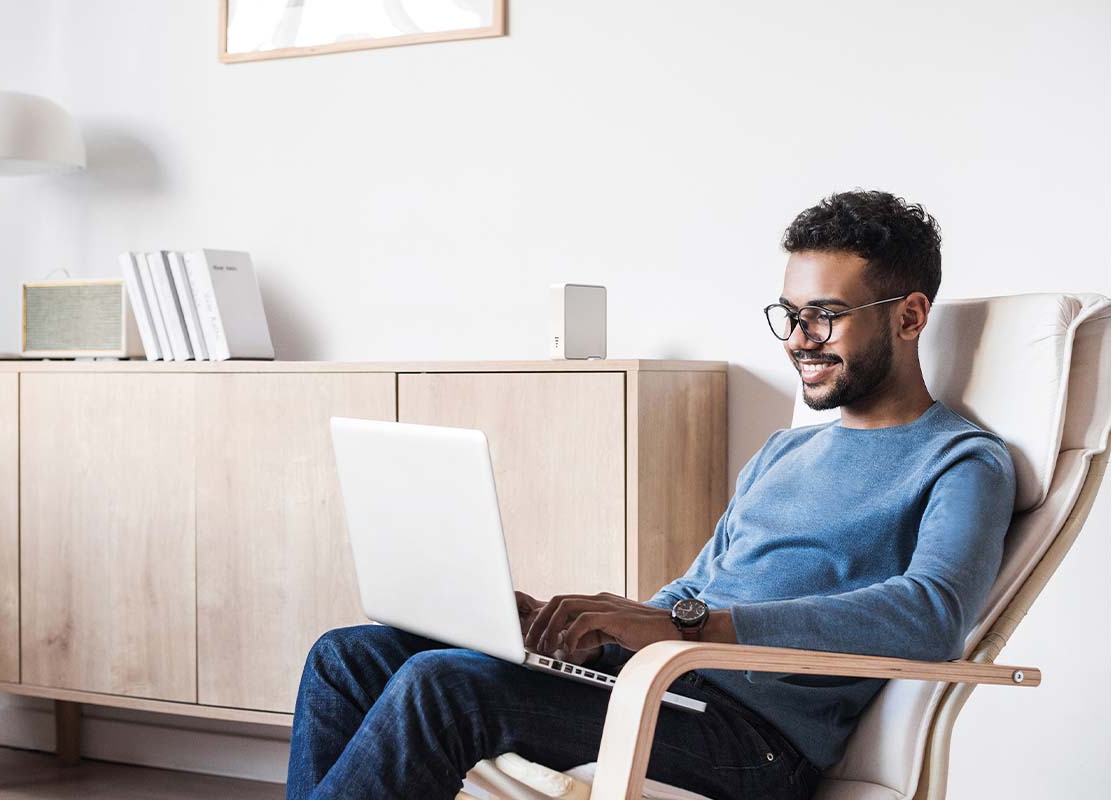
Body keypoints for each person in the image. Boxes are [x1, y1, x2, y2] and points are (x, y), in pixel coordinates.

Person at [284, 190, 1017, 800]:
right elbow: (700, 586)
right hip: (664, 683)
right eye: (789, 314)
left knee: (443, 687)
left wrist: (693, 630)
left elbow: (930, 617)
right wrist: (591, 627)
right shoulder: (786, 449)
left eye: (824, 314)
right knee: (346, 657)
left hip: (753, 739)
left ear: (910, 316)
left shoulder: (961, 460)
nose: (798, 338)